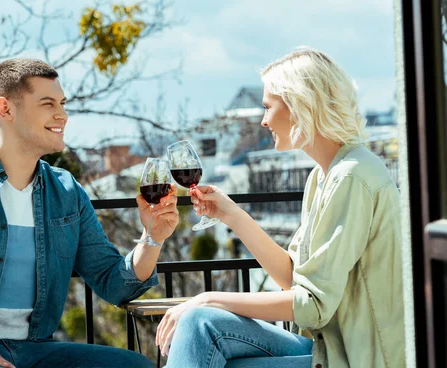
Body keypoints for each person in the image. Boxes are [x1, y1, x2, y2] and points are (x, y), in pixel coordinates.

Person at [0, 58, 179, 368]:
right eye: (47, 103)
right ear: (6, 109)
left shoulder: (66, 192)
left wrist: (152, 237)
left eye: (63, 103)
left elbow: (113, 283)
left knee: (136, 367)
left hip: (35, 352)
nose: (62, 115)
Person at [156, 47, 405, 368]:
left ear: (301, 106)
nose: (263, 120)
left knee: (202, 324)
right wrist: (232, 214)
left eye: (268, 107)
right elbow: (293, 278)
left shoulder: (352, 176)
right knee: (200, 324)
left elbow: (312, 305)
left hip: (360, 358)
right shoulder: (325, 176)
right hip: (329, 346)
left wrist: (207, 298)